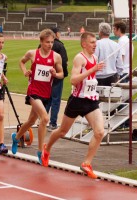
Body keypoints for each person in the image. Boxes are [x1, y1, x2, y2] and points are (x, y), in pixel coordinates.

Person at [41, 32, 105, 179]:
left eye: (96, 42)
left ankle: (86, 163)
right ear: (84, 44)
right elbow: (73, 80)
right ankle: (47, 148)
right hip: (77, 101)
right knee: (62, 131)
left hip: (91, 100)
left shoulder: (94, 58)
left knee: (100, 132)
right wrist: (92, 70)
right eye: (92, 42)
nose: (95, 45)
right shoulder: (79, 58)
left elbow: (90, 79)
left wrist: (93, 72)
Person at [11, 29, 64, 164]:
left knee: (31, 121)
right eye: (47, 42)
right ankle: (40, 151)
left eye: (52, 42)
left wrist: (54, 74)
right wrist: (25, 71)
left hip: (46, 93)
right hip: (33, 91)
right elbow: (21, 62)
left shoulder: (56, 57)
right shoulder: (32, 53)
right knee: (45, 118)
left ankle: (16, 138)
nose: (50, 45)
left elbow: (62, 74)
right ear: (41, 42)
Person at [46, 27, 68, 131]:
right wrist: (63, 74)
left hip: (45, 76)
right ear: (55, 34)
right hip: (56, 76)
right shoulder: (60, 45)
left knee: (46, 98)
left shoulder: (42, 45)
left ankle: (42, 119)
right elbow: (64, 62)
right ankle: (52, 123)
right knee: (55, 100)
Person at [113, 21, 134, 130]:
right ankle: (127, 123)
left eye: (114, 28)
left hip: (123, 72)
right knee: (127, 99)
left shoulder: (121, 41)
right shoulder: (129, 41)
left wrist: (118, 72)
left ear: (117, 29)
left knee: (121, 98)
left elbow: (121, 57)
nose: (113, 30)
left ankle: (122, 123)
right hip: (128, 70)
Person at [94, 22, 123, 86]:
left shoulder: (96, 44)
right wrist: (118, 75)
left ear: (100, 32)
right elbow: (120, 64)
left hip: (98, 77)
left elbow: (93, 60)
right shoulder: (116, 45)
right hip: (112, 76)